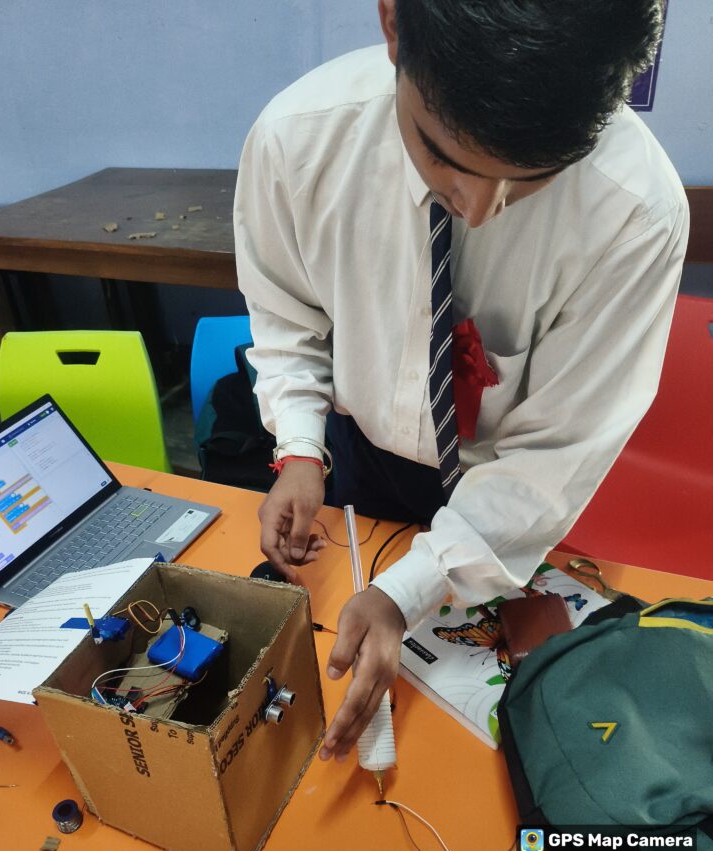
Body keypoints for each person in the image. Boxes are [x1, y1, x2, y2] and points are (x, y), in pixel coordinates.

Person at [233, 1, 688, 765]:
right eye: (440, 154)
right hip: (365, 454)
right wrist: (302, 446)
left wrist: (406, 591)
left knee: (494, 727)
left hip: (514, 494)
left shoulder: (634, 212)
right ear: (392, 25)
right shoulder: (297, 140)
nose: (477, 210)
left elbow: (554, 457)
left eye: (530, 181)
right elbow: (287, 313)